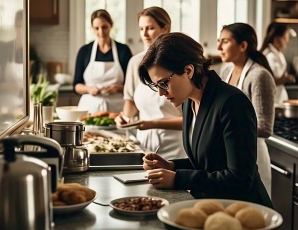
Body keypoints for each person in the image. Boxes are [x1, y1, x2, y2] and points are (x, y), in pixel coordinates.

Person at [138, 32, 273, 208]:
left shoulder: (232, 103)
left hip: (244, 212)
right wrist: (172, 166)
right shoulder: (189, 102)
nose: (161, 92)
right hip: (213, 207)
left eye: (164, 83)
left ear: (188, 70)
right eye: (157, 85)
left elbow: (240, 179)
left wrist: (178, 179)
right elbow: (208, 163)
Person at [115, 6, 186, 159]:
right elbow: (131, 103)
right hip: (143, 145)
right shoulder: (135, 62)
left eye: (150, 28)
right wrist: (126, 119)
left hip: (177, 146)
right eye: (141, 29)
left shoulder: (180, 62)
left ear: (165, 28)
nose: (144, 34)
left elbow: (192, 119)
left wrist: (152, 123)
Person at [217, 23, 276, 197]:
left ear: (243, 46)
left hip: (253, 156)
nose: (219, 47)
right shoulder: (226, 71)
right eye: (218, 41)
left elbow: (265, 128)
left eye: (225, 41)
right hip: (230, 155)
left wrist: (224, 128)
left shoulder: (259, 75)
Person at [73, 9, 132, 114]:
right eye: (96, 28)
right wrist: (89, 89)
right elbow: (77, 85)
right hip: (89, 108)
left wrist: (119, 88)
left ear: (111, 25)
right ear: (92, 28)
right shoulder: (85, 51)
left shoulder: (123, 50)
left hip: (117, 109)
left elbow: (132, 84)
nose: (101, 32)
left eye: (104, 27)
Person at [259, 22, 296, 105]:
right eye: (285, 37)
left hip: (278, 98)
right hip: (274, 100)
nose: (287, 40)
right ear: (277, 39)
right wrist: (286, 79)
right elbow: (270, 79)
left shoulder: (277, 53)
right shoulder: (270, 56)